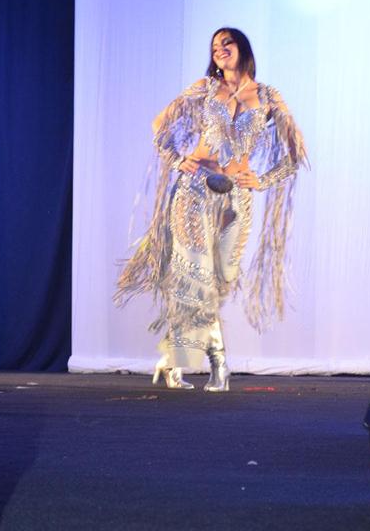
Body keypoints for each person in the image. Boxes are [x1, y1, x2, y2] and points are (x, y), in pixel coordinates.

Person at [115, 27, 307, 392]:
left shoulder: (267, 96)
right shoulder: (204, 88)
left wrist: (262, 180)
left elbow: (296, 152)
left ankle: (173, 357)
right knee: (196, 278)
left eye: (226, 43)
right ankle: (219, 364)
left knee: (221, 281)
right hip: (195, 191)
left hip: (238, 197)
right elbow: (159, 124)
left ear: (242, 48)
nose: (219, 49)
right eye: (215, 46)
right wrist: (177, 159)